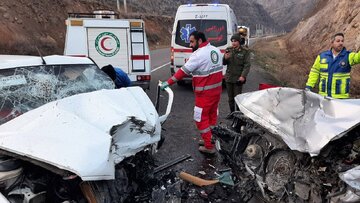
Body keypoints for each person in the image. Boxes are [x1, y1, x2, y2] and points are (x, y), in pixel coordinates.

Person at [160, 31, 223, 155]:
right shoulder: (215, 50)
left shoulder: (198, 55)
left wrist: (168, 82)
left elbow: (183, 71)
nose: (190, 45)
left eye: (192, 42)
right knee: (211, 117)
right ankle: (209, 138)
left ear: (199, 41)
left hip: (204, 93)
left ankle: (209, 147)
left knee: (200, 118)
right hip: (216, 92)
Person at [305, 33, 360, 98]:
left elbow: (358, 58)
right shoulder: (322, 56)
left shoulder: (348, 56)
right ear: (332, 43)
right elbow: (315, 72)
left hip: (341, 98)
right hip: (323, 97)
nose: (341, 43)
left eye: (342, 41)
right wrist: (309, 86)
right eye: (338, 41)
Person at [223, 34, 251, 116]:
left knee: (237, 98)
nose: (233, 43)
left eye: (235, 41)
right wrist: (225, 58)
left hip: (238, 78)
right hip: (229, 78)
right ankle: (232, 113)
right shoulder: (228, 50)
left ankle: (238, 115)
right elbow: (224, 63)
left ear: (239, 42)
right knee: (230, 98)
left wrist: (243, 76)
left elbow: (247, 65)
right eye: (232, 41)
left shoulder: (245, 52)